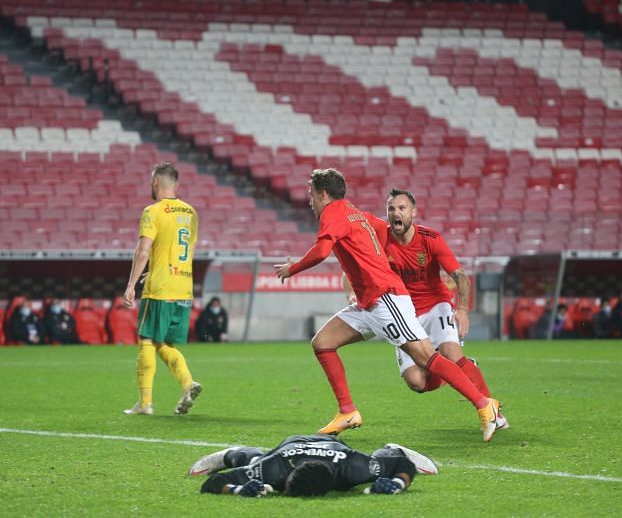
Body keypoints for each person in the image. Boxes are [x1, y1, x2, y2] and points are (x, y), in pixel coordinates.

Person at [274, 168, 499, 441]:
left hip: (386, 298)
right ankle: (347, 411)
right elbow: (376, 235)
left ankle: (484, 405)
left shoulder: (333, 213)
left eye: (311, 193)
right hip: (369, 304)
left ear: (323, 193)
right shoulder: (356, 213)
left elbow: (322, 251)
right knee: (322, 343)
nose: (309, 199)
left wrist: (292, 268)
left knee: (426, 358)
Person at [343, 188, 508, 430]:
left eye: (401, 208)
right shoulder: (379, 240)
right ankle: (459, 369)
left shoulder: (430, 239)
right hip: (403, 314)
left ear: (413, 212)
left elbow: (460, 276)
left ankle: (492, 412)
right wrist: (350, 293)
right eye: (391, 208)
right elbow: (350, 271)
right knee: (417, 382)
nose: (395, 213)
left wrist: (461, 309)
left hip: (436, 305)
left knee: (452, 353)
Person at [122, 162, 202, 416]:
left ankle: (145, 403)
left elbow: (143, 249)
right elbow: (188, 250)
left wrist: (131, 283)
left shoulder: (153, 211)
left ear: (156, 181)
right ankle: (188, 383)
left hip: (160, 288)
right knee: (164, 343)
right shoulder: (190, 212)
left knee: (146, 339)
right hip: (183, 286)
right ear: (176, 184)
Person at [189, 434, 436, 497]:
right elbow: (213, 482)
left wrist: (396, 484)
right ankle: (231, 454)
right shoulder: (275, 469)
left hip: (334, 447)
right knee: (256, 461)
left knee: (387, 459)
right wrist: (239, 489)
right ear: (290, 475)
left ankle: (393, 447)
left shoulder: (354, 469)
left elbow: (403, 464)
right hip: (292, 445)